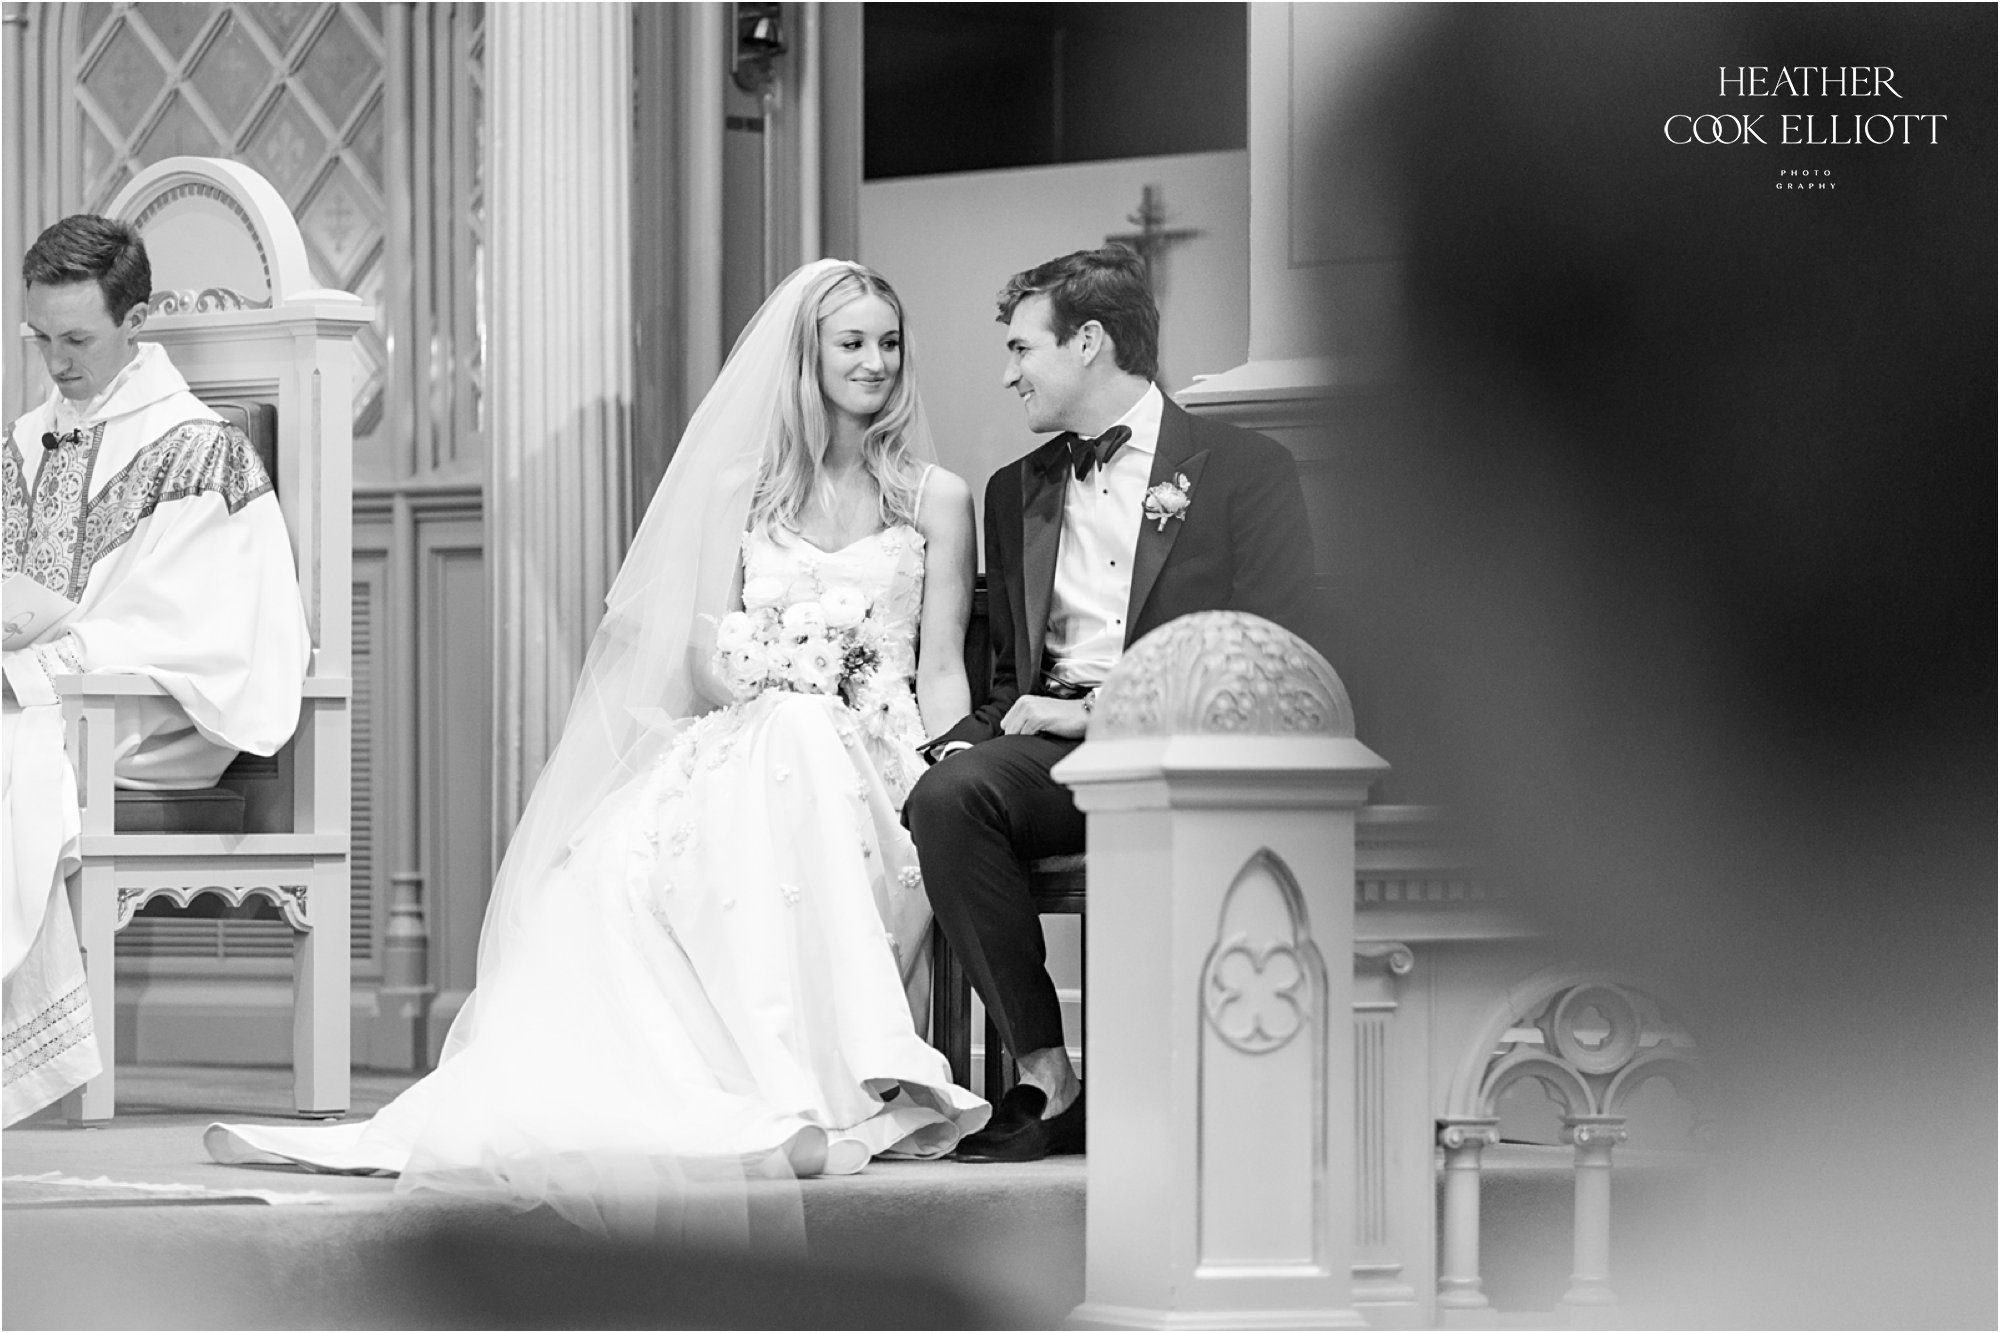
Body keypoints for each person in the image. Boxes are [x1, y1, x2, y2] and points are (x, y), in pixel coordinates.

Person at [205, 260, 987, 1235]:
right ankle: (770, 1086)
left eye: (889, 343)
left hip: (879, 749)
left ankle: (833, 1077)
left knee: (806, 739)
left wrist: (941, 757)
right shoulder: (744, 492)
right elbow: (704, 656)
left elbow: (940, 664)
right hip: (760, 732)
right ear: (807, 357)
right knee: (628, 850)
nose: (875, 362)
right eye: (852, 343)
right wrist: (778, 686)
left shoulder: (936, 498)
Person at [905, 245, 1322, 1162]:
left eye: (1022, 348)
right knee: (945, 796)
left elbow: (1276, 654)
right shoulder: (1015, 490)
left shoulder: (1247, 468)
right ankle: (1046, 1077)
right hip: (1052, 753)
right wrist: (952, 742)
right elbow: (1013, 680)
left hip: (1189, 747)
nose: (1009, 373)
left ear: (1088, 340)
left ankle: (1201, 1093)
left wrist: (1107, 715)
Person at [2, 215, 310, 1126]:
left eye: (76, 340)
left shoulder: (201, 448)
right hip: (43, 698)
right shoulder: (22, 441)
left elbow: (194, 626)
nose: (56, 362)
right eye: (40, 338)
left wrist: (36, 668)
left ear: (135, 321)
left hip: (147, 714)